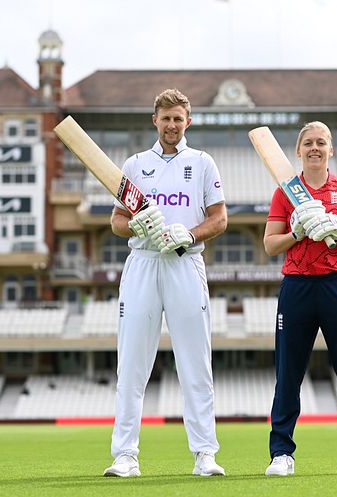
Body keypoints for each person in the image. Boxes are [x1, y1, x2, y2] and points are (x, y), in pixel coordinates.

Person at [103, 88, 228, 478]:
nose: (172, 125)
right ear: (154, 120)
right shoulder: (135, 164)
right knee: (132, 364)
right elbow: (117, 220)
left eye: (178, 118)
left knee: (195, 363)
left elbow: (220, 219)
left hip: (185, 263)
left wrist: (188, 235)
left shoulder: (203, 163)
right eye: (165, 118)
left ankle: (205, 454)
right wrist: (134, 224)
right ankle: (125, 456)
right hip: (142, 263)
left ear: (187, 121)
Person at [262, 121, 337, 477]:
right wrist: (297, 231)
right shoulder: (286, 192)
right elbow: (270, 244)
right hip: (297, 286)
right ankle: (281, 453)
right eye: (308, 143)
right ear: (298, 151)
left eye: (321, 142)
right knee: (288, 374)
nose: (315, 148)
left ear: (332, 149)